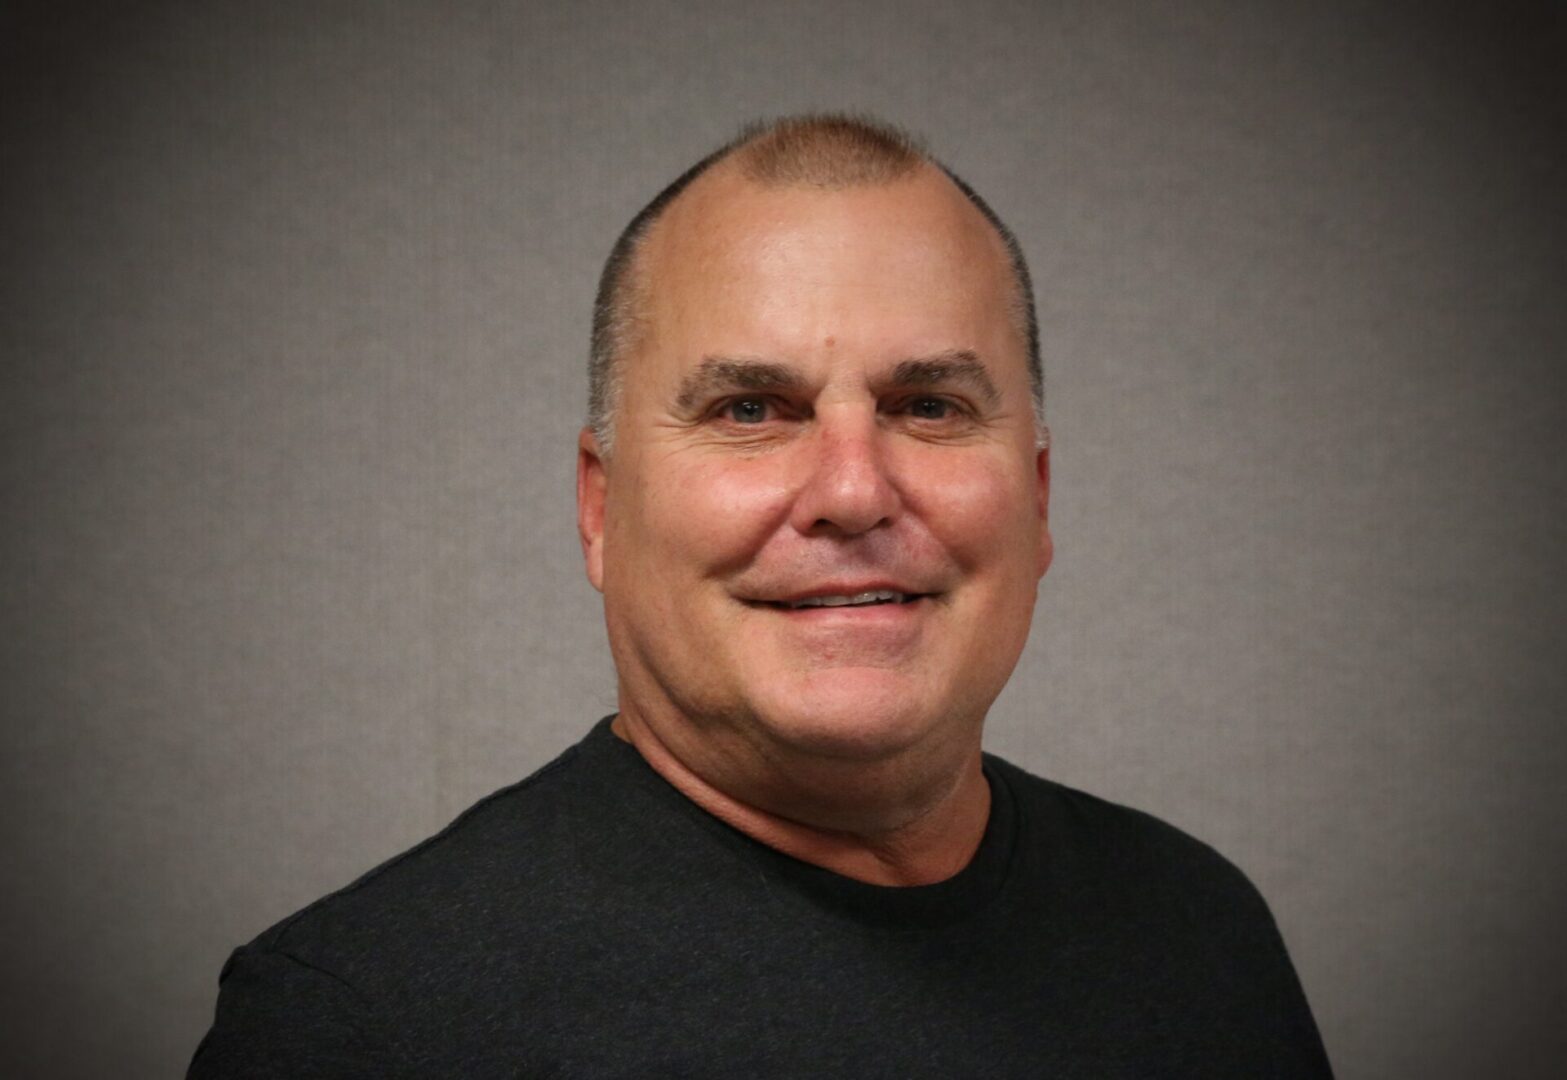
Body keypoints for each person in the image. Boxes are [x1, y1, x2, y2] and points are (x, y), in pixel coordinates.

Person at [189, 114, 1333, 1077]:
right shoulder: (365, 1027)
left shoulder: (1195, 928)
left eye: (928, 405)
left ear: (1035, 499)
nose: (850, 491)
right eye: (750, 410)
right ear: (600, 506)